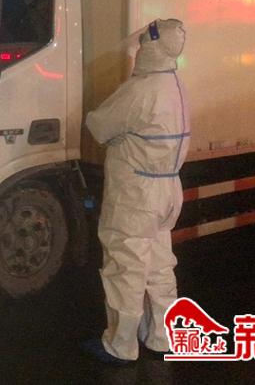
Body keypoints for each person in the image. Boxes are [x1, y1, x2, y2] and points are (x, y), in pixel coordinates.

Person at [81, 19, 190, 364]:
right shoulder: (175, 86)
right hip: (167, 189)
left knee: (125, 266)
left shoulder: (140, 90)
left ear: (152, 47)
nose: (139, 49)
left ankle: (120, 345)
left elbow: (98, 125)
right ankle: (162, 336)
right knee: (159, 266)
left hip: (136, 194)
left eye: (143, 43)